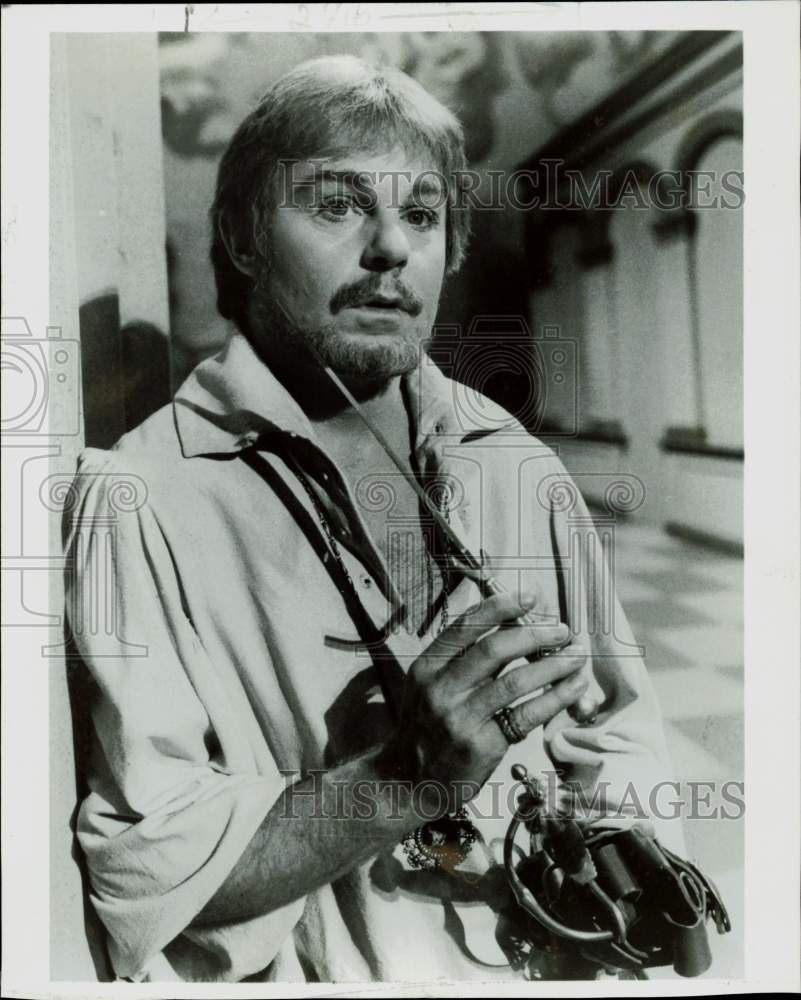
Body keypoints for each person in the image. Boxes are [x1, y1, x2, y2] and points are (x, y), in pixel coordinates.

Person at [64, 55, 683, 983]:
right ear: (239, 238)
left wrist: (618, 872)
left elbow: (621, 728)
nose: (391, 247)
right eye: (336, 204)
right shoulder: (141, 497)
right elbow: (151, 872)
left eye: (422, 216)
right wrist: (404, 779)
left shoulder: (510, 457)